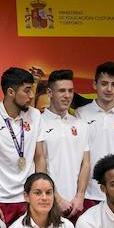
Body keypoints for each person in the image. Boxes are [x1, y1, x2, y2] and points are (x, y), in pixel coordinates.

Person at [0, 67, 47, 224]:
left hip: (29, 198)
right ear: (10, 92)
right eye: (27, 90)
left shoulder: (35, 115)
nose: (32, 96)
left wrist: (40, 195)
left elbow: (40, 157)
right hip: (0, 199)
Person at [75, 62, 114, 207]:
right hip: (88, 193)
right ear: (94, 85)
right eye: (104, 83)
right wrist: (79, 193)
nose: (109, 89)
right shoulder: (81, 113)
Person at [40, 69, 89, 219]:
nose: (67, 95)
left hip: (76, 204)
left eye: (70, 91)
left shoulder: (81, 125)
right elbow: (39, 165)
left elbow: (85, 163)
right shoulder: (39, 122)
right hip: (47, 203)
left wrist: (80, 196)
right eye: (61, 91)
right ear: (49, 92)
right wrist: (56, 198)